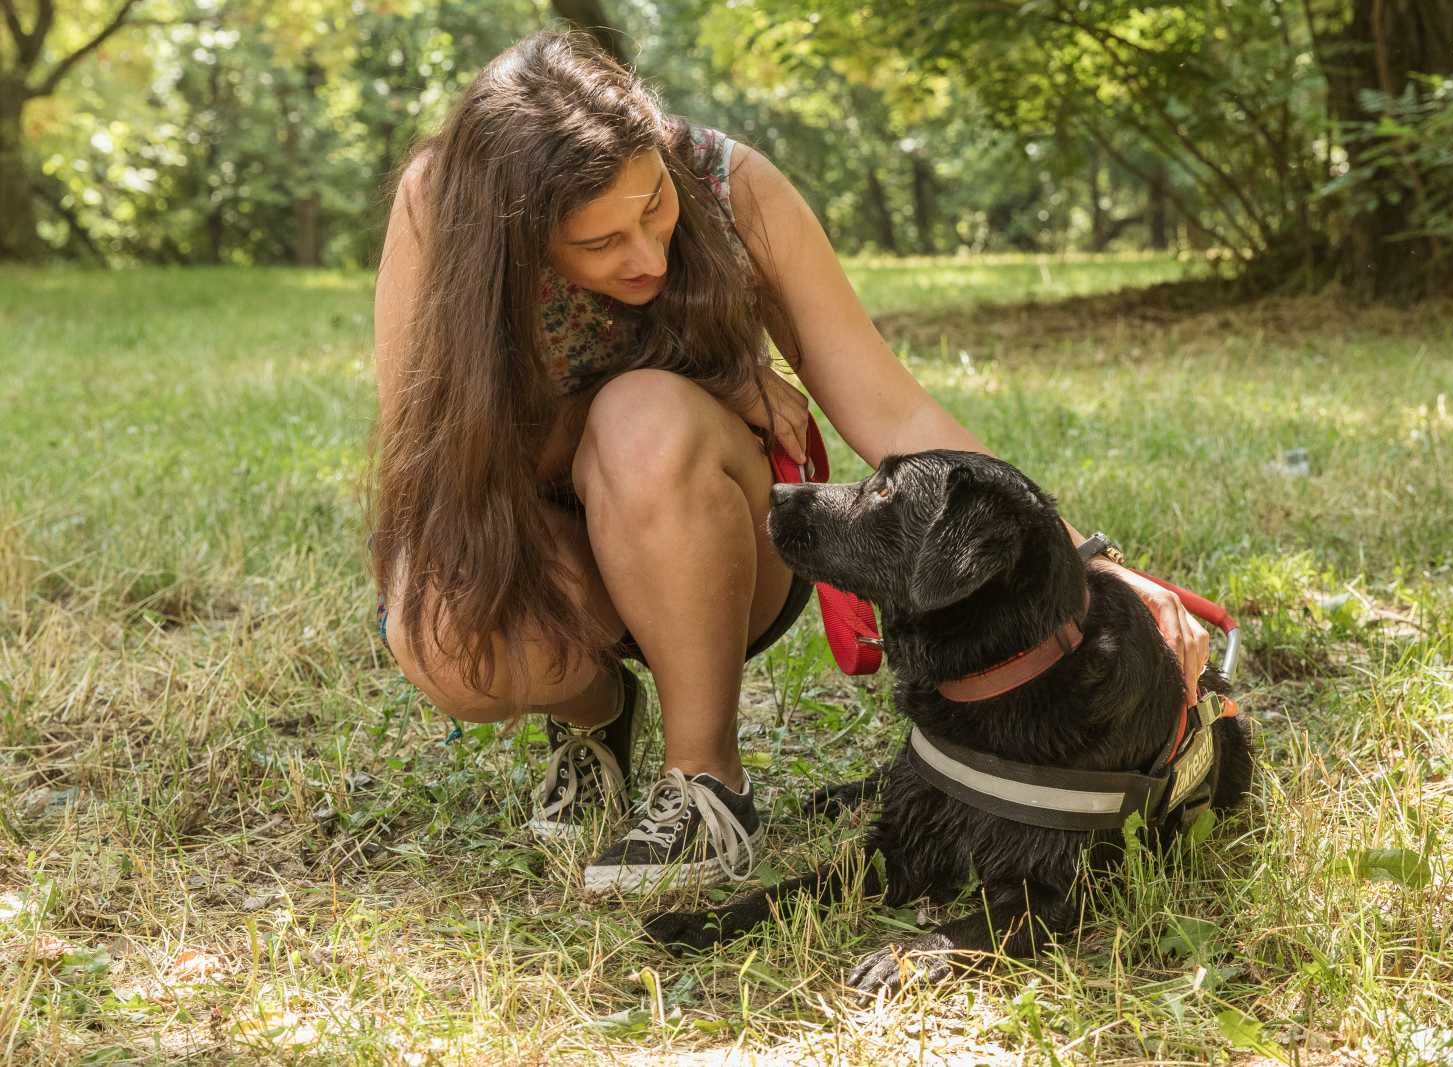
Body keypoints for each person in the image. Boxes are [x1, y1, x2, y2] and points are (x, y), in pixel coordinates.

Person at [368, 30, 1210, 893]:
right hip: (546, 537)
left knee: (641, 416)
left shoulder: (732, 186)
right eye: (599, 244)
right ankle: (595, 713)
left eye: (653, 206)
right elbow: (434, 460)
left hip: (715, 536)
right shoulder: (442, 210)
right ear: (517, 229)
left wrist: (1087, 560)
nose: (649, 257)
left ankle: (706, 784)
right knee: (449, 646)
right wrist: (720, 379)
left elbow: (894, 412)